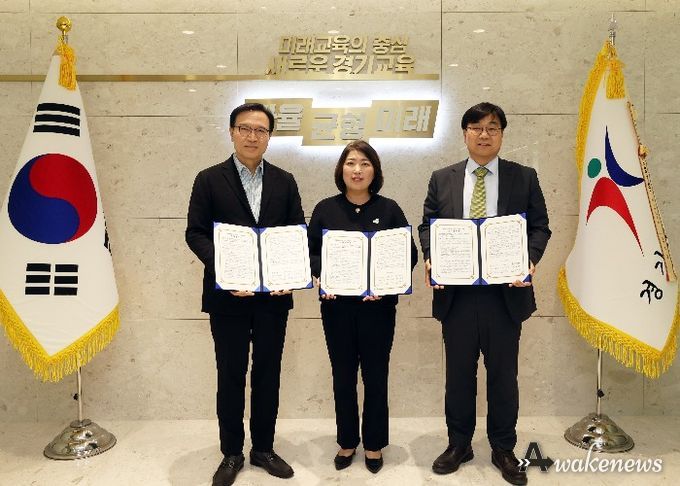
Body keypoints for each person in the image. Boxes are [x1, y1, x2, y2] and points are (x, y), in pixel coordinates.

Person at [418, 102, 551, 486]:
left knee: (503, 376)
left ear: (502, 134)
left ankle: (503, 448)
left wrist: (529, 260)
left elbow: (540, 226)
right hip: (457, 294)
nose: (484, 134)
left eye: (492, 127)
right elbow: (428, 225)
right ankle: (459, 444)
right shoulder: (441, 178)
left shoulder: (523, 177)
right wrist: (431, 257)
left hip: (504, 294)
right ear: (465, 134)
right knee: (458, 375)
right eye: (476, 127)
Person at [186, 103, 304, 486]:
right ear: (232, 132)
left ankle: (263, 449)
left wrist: (290, 274)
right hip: (228, 298)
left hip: (273, 298)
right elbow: (195, 233)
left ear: (269, 136)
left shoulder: (285, 181)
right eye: (245, 128)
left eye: (261, 130)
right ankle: (232, 453)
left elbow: (295, 233)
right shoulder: (209, 179)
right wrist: (225, 269)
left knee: (268, 374)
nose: (253, 136)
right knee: (231, 374)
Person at [308, 140, 418, 474]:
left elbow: (409, 254)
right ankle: (346, 441)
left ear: (375, 171)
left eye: (365, 163)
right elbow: (310, 252)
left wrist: (386, 283)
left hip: (378, 310)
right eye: (351, 163)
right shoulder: (325, 209)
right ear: (341, 169)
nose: (357, 170)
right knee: (342, 376)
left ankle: (373, 443)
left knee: (375, 376)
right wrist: (323, 277)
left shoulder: (390, 209)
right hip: (336, 309)